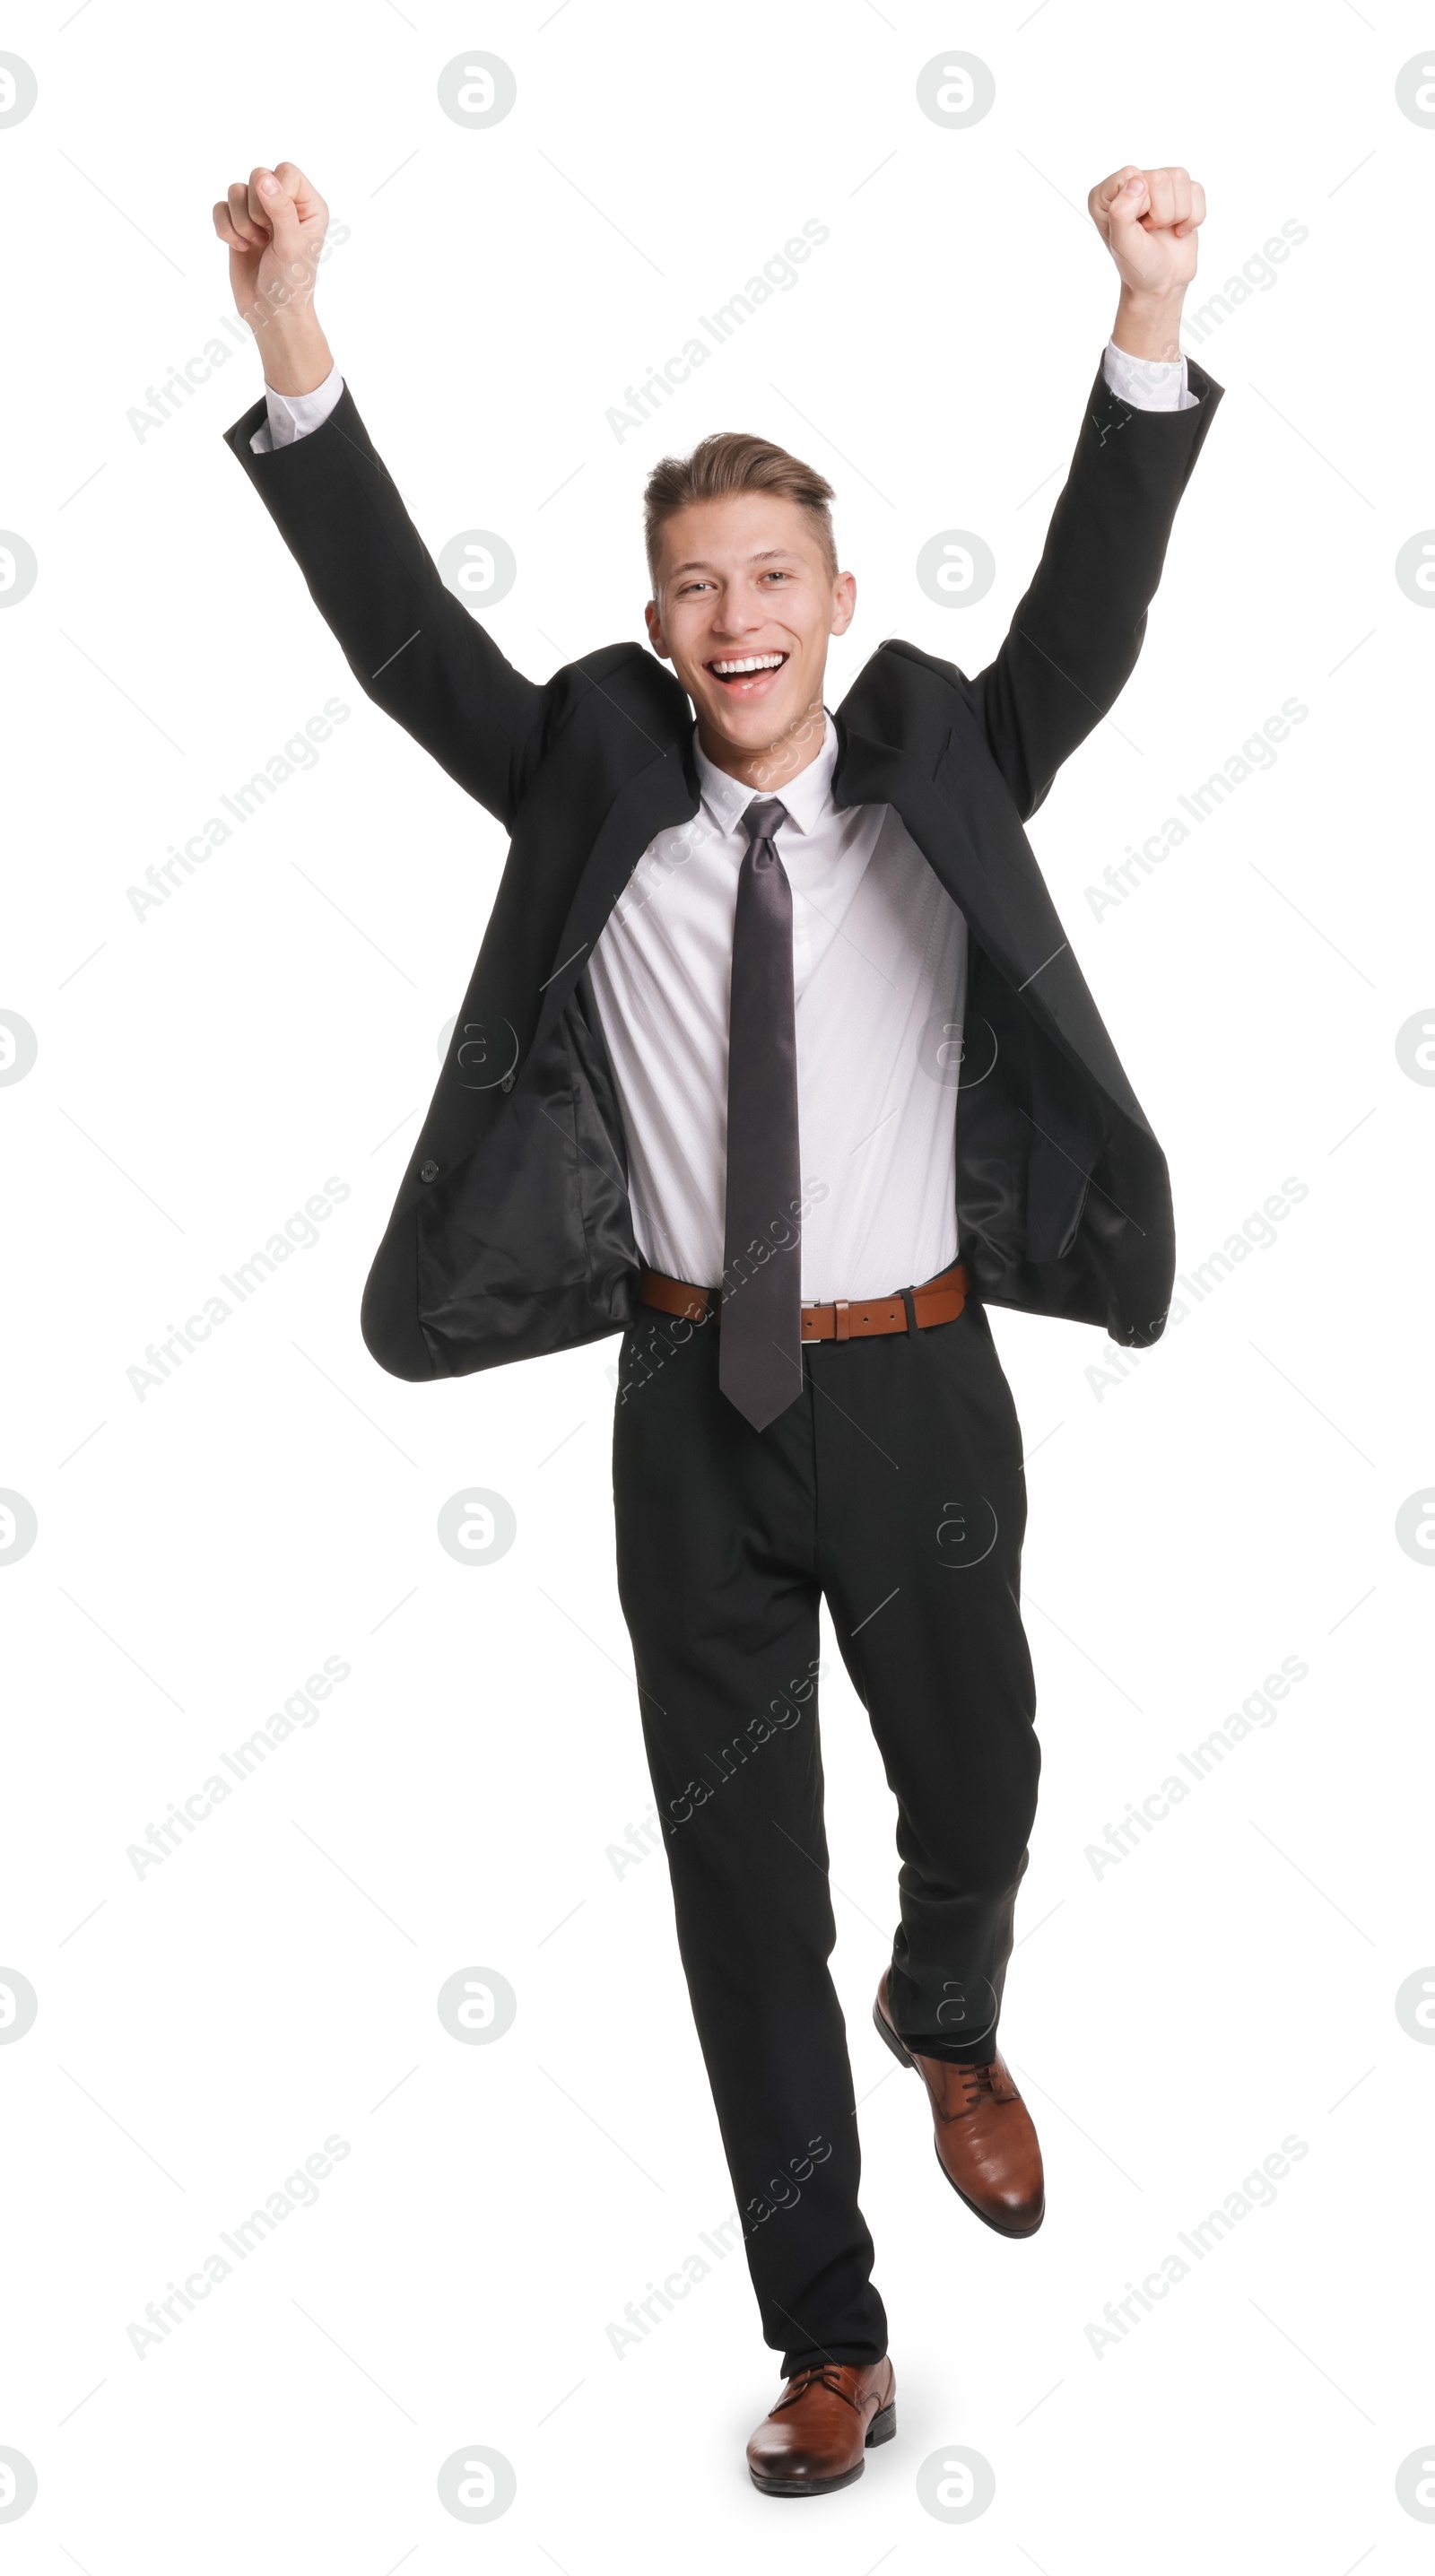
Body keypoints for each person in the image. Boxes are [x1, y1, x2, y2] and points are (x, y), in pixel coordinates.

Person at [213, 156, 1220, 2496]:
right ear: (660, 624)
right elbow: (398, 641)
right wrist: (291, 326)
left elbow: (1087, 614)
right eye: (697, 588)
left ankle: (951, 2005)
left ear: (839, 601)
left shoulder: (944, 758)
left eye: (773, 579)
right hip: (689, 1407)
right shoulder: (590, 775)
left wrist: (1148, 315)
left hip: (923, 1383)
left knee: (979, 1778)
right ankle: (831, 2340)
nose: (737, 617)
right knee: (734, 1889)